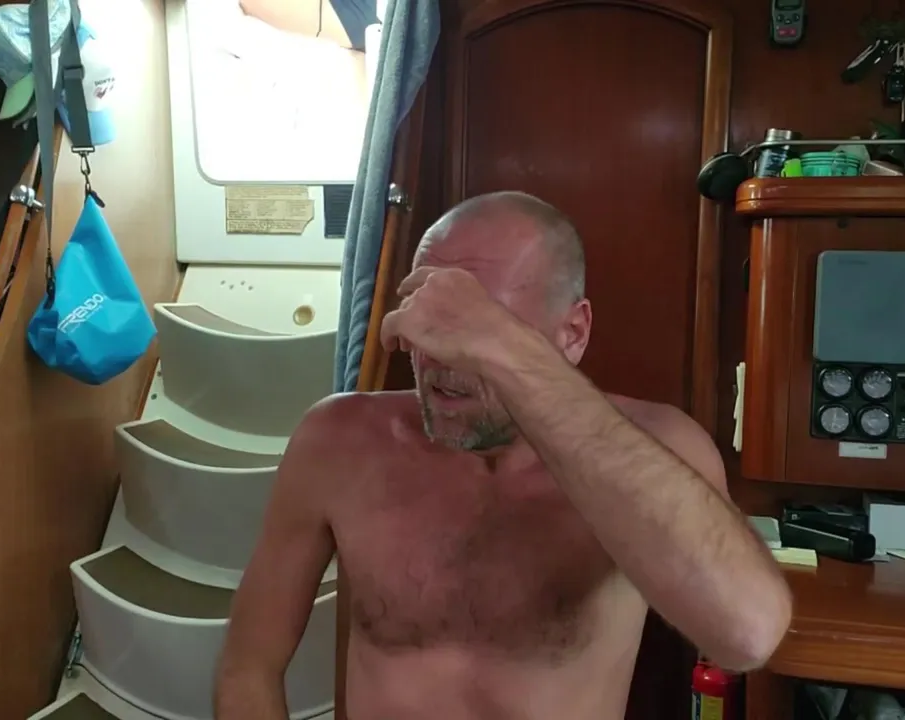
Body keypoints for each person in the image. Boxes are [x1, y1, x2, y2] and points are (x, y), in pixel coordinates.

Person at [214, 191, 792, 719]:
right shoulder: (337, 442)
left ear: (573, 333)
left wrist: (504, 352)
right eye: (431, 319)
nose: (441, 358)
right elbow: (248, 669)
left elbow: (747, 634)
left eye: (479, 328)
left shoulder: (659, 450)